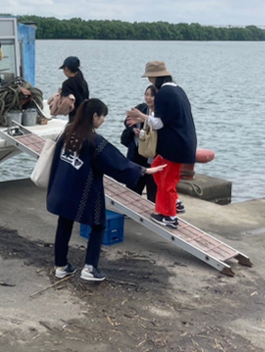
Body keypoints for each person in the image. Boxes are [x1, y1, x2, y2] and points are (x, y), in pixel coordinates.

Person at [47, 99, 165, 282]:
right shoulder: (95, 141)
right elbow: (116, 163)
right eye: (103, 117)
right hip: (84, 191)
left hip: (62, 188)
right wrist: (144, 170)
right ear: (95, 116)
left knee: (65, 223)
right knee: (98, 224)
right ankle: (90, 268)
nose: (103, 121)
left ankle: (60, 266)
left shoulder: (67, 132)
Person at [126, 61, 196, 229]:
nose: (150, 81)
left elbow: (159, 123)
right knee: (157, 168)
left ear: (157, 77)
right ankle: (173, 204)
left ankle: (171, 217)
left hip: (175, 146)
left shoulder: (164, 93)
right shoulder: (177, 90)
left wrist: (140, 116)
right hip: (182, 143)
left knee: (168, 181)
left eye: (150, 78)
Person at [121, 85, 158, 203]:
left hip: (152, 153)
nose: (148, 98)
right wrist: (133, 130)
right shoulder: (141, 108)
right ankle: (131, 206)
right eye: (146, 95)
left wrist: (144, 121)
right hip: (137, 151)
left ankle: (152, 207)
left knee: (152, 183)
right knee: (134, 180)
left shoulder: (161, 112)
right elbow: (127, 121)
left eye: (151, 95)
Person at [59, 56, 89, 123]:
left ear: (66, 69)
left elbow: (66, 101)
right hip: (86, 112)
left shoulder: (67, 84)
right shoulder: (82, 80)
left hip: (75, 115)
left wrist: (61, 93)